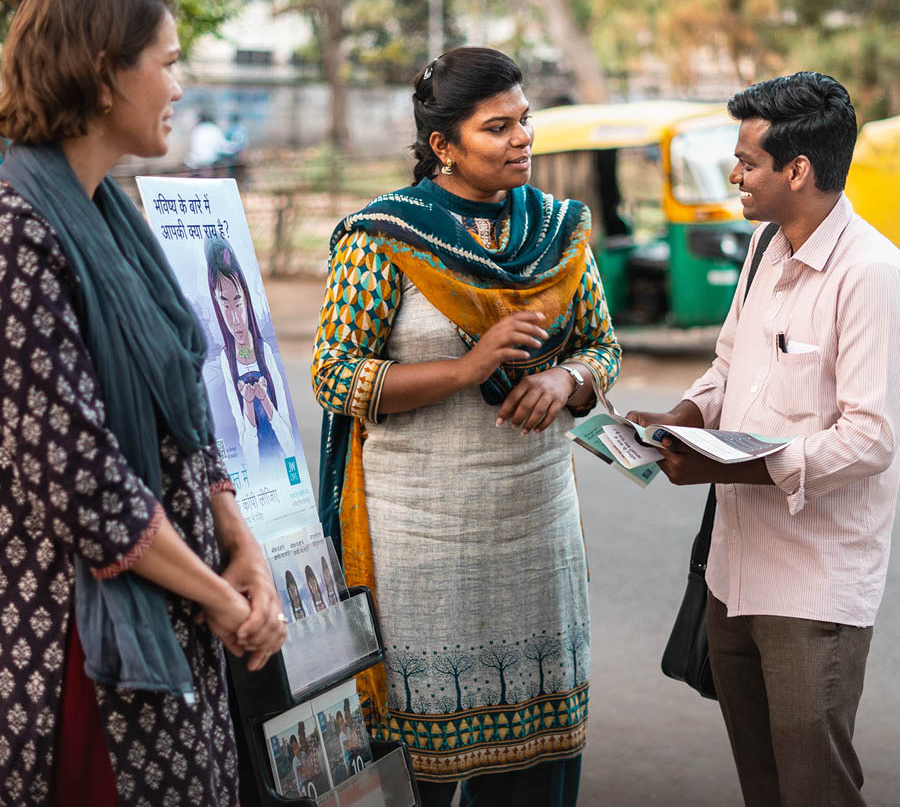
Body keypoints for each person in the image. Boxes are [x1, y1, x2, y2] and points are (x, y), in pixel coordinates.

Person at [0, 0, 287, 806]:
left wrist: (244, 549)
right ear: (101, 72)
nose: (180, 85)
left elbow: (182, 415)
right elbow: (80, 480)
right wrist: (223, 600)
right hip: (82, 645)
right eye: (166, 61)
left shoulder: (109, 213)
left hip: (178, 607)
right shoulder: (18, 231)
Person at [313, 46, 620, 807]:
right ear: (443, 145)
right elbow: (334, 374)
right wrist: (465, 368)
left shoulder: (560, 231)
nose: (523, 140)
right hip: (421, 538)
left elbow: (601, 347)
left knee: (533, 760)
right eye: (497, 127)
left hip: (535, 528)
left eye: (524, 122)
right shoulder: (383, 237)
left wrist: (567, 378)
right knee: (417, 758)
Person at [628, 72, 900, 807]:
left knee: (816, 791)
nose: (734, 174)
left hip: (813, 589)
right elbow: (727, 363)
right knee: (765, 789)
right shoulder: (762, 251)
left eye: (747, 161)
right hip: (732, 576)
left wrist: (740, 470)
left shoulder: (870, 273)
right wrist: (682, 418)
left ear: (798, 170)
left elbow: (872, 440)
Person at [206, 236, 295, 476]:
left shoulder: (265, 352)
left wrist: (264, 400)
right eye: (225, 306)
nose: (235, 318)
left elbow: (290, 445)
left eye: (238, 302)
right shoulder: (227, 361)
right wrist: (248, 402)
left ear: (247, 299)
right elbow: (250, 456)